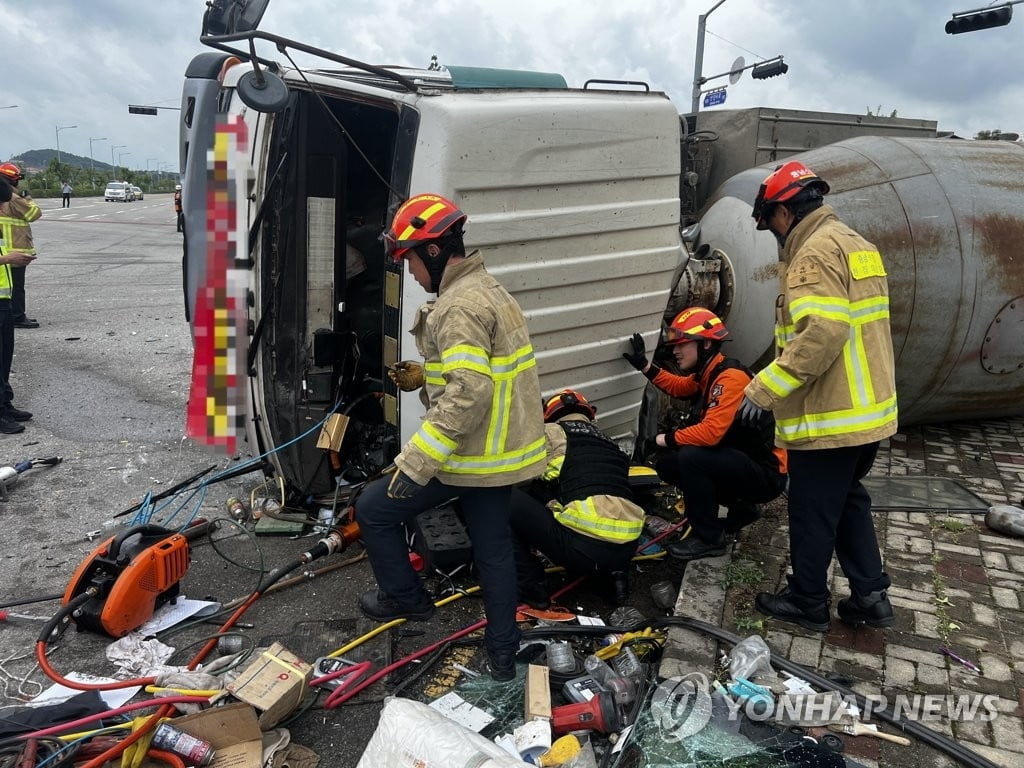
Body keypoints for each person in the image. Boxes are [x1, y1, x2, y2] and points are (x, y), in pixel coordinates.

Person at [355, 192, 546, 681]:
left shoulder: (456, 308)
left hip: (470, 454)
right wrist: (425, 375)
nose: (413, 275)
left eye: (412, 261)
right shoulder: (489, 290)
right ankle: (503, 654)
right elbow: (479, 369)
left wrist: (415, 463)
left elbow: (469, 392)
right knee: (494, 549)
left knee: (374, 510)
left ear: (434, 251)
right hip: (499, 456)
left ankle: (407, 599)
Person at [740, 161, 898, 632]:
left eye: (769, 224)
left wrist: (765, 388)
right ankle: (870, 596)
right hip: (866, 412)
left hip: (830, 415)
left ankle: (807, 600)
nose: (773, 235)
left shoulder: (812, 255)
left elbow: (822, 333)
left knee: (811, 509)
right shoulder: (856, 244)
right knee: (848, 500)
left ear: (785, 212)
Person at [623, 308, 787, 560]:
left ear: (707, 343)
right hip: (746, 464)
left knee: (691, 457)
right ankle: (742, 508)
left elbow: (711, 433)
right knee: (670, 465)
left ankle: (709, 538)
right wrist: (645, 366)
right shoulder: (710, 373)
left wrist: (661, 439)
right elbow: (679, 386)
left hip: (767, 474)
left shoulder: (730, 378)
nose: (675, 351)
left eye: (682, 345)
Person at [510, 389, 645, 608]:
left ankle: (532, 588)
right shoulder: (610, 444)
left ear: (549, 415)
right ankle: (615, 582)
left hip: (582, 550)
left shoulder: (550, 432)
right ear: (590, 415)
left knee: (503, 500)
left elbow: (518, 472)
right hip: (627, 550)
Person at [0, 177, 36, 433]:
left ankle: (4, 403)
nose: (3, 209)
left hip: (3, 300)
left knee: (4, 356)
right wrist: (6, 259)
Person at [0, 163, 40, 329]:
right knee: (15, 287)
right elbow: (34, 213)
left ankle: (13, 315)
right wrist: (27, 198)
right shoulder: (12, 197)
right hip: (13, 250)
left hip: (6, 250)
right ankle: (17, 316)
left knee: (11, 287)